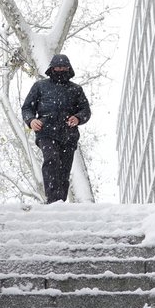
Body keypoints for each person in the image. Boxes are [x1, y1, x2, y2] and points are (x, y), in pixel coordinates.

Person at [21, 54, 91, 203]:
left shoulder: (76, 89)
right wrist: (31, 120)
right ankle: (52, 200)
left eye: (63, 67)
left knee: (64, 169)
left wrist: (77, 118)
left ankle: (60, 201)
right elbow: (27, 108)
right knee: (51, 160)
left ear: (68, 68)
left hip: (68, 135)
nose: (60, 70)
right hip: (46, 132)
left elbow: (86, 111)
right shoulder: (40, 86)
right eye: (57, 67)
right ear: (52, 68)